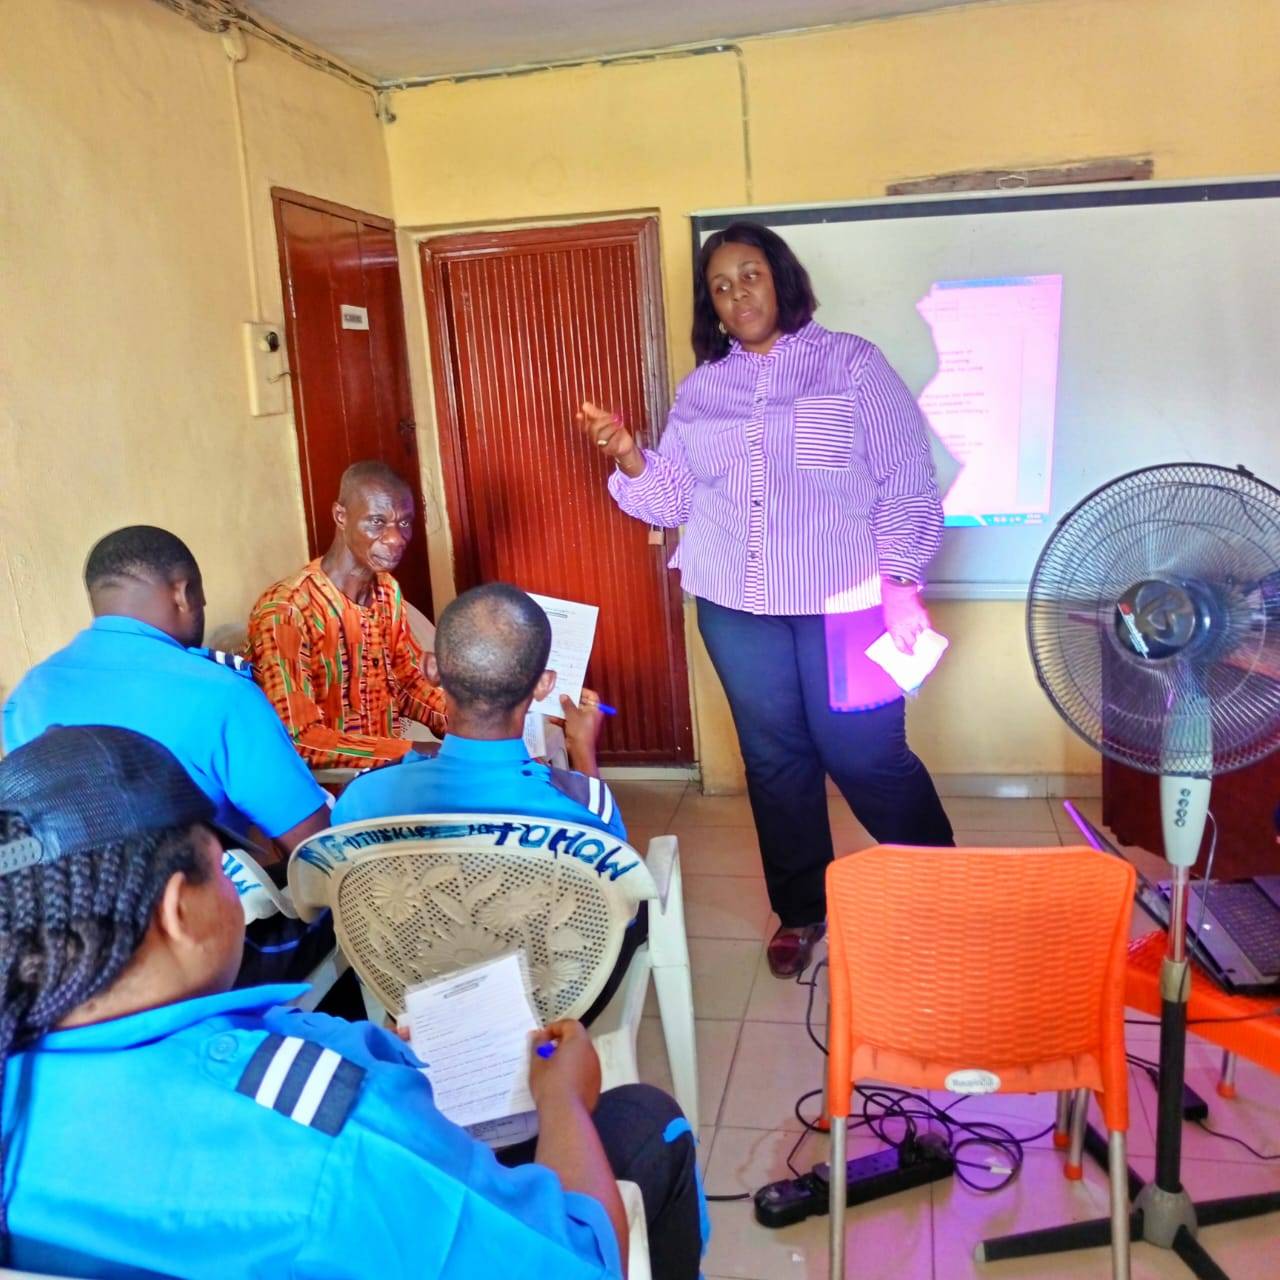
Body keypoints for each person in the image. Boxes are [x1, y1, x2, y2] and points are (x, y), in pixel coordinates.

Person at [0, 725, 703, 1279]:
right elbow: (582, 1263)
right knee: (648, 1121)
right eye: (222, 869)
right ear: (178, 910)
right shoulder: (332, 1124)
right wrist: (563, 1101)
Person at [580, 221, 953, 979]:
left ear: (781, 277)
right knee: (774, 759)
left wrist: (901, 583)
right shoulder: (702, 389)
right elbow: (673, 500)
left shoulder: (851, 364)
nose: (737, 294)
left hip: (848, 599)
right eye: (720, 286)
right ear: (711, 306)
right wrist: (630, 456)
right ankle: (802, 909)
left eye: (749, 275)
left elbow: (907, 480)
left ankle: (943, 886)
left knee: (864, 753)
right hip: (734, 599)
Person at [1, 525, 337, 987]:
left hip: (73, 952)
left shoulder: (29, 694)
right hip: (194, 946)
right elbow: (315, 848)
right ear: (182, 593)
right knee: (348, 897)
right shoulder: (221, 694)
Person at [333, 583, 642, 1026]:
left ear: (432, 669)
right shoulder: (582, 803)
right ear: (544, 685)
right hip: (553, 1004)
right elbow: (612, 890)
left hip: (414, 996)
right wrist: (582, 751)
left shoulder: (364, 797)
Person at [248, 460, 448, 771]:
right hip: (325, 791)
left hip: (387, 777)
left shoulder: (387, 591)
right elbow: (298, 737)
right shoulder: (287, 609)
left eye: (405, 523)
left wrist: (476, 724)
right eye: (377, 522)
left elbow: (409, 684)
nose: (396, 538)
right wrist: (411, 750)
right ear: (341, 516)